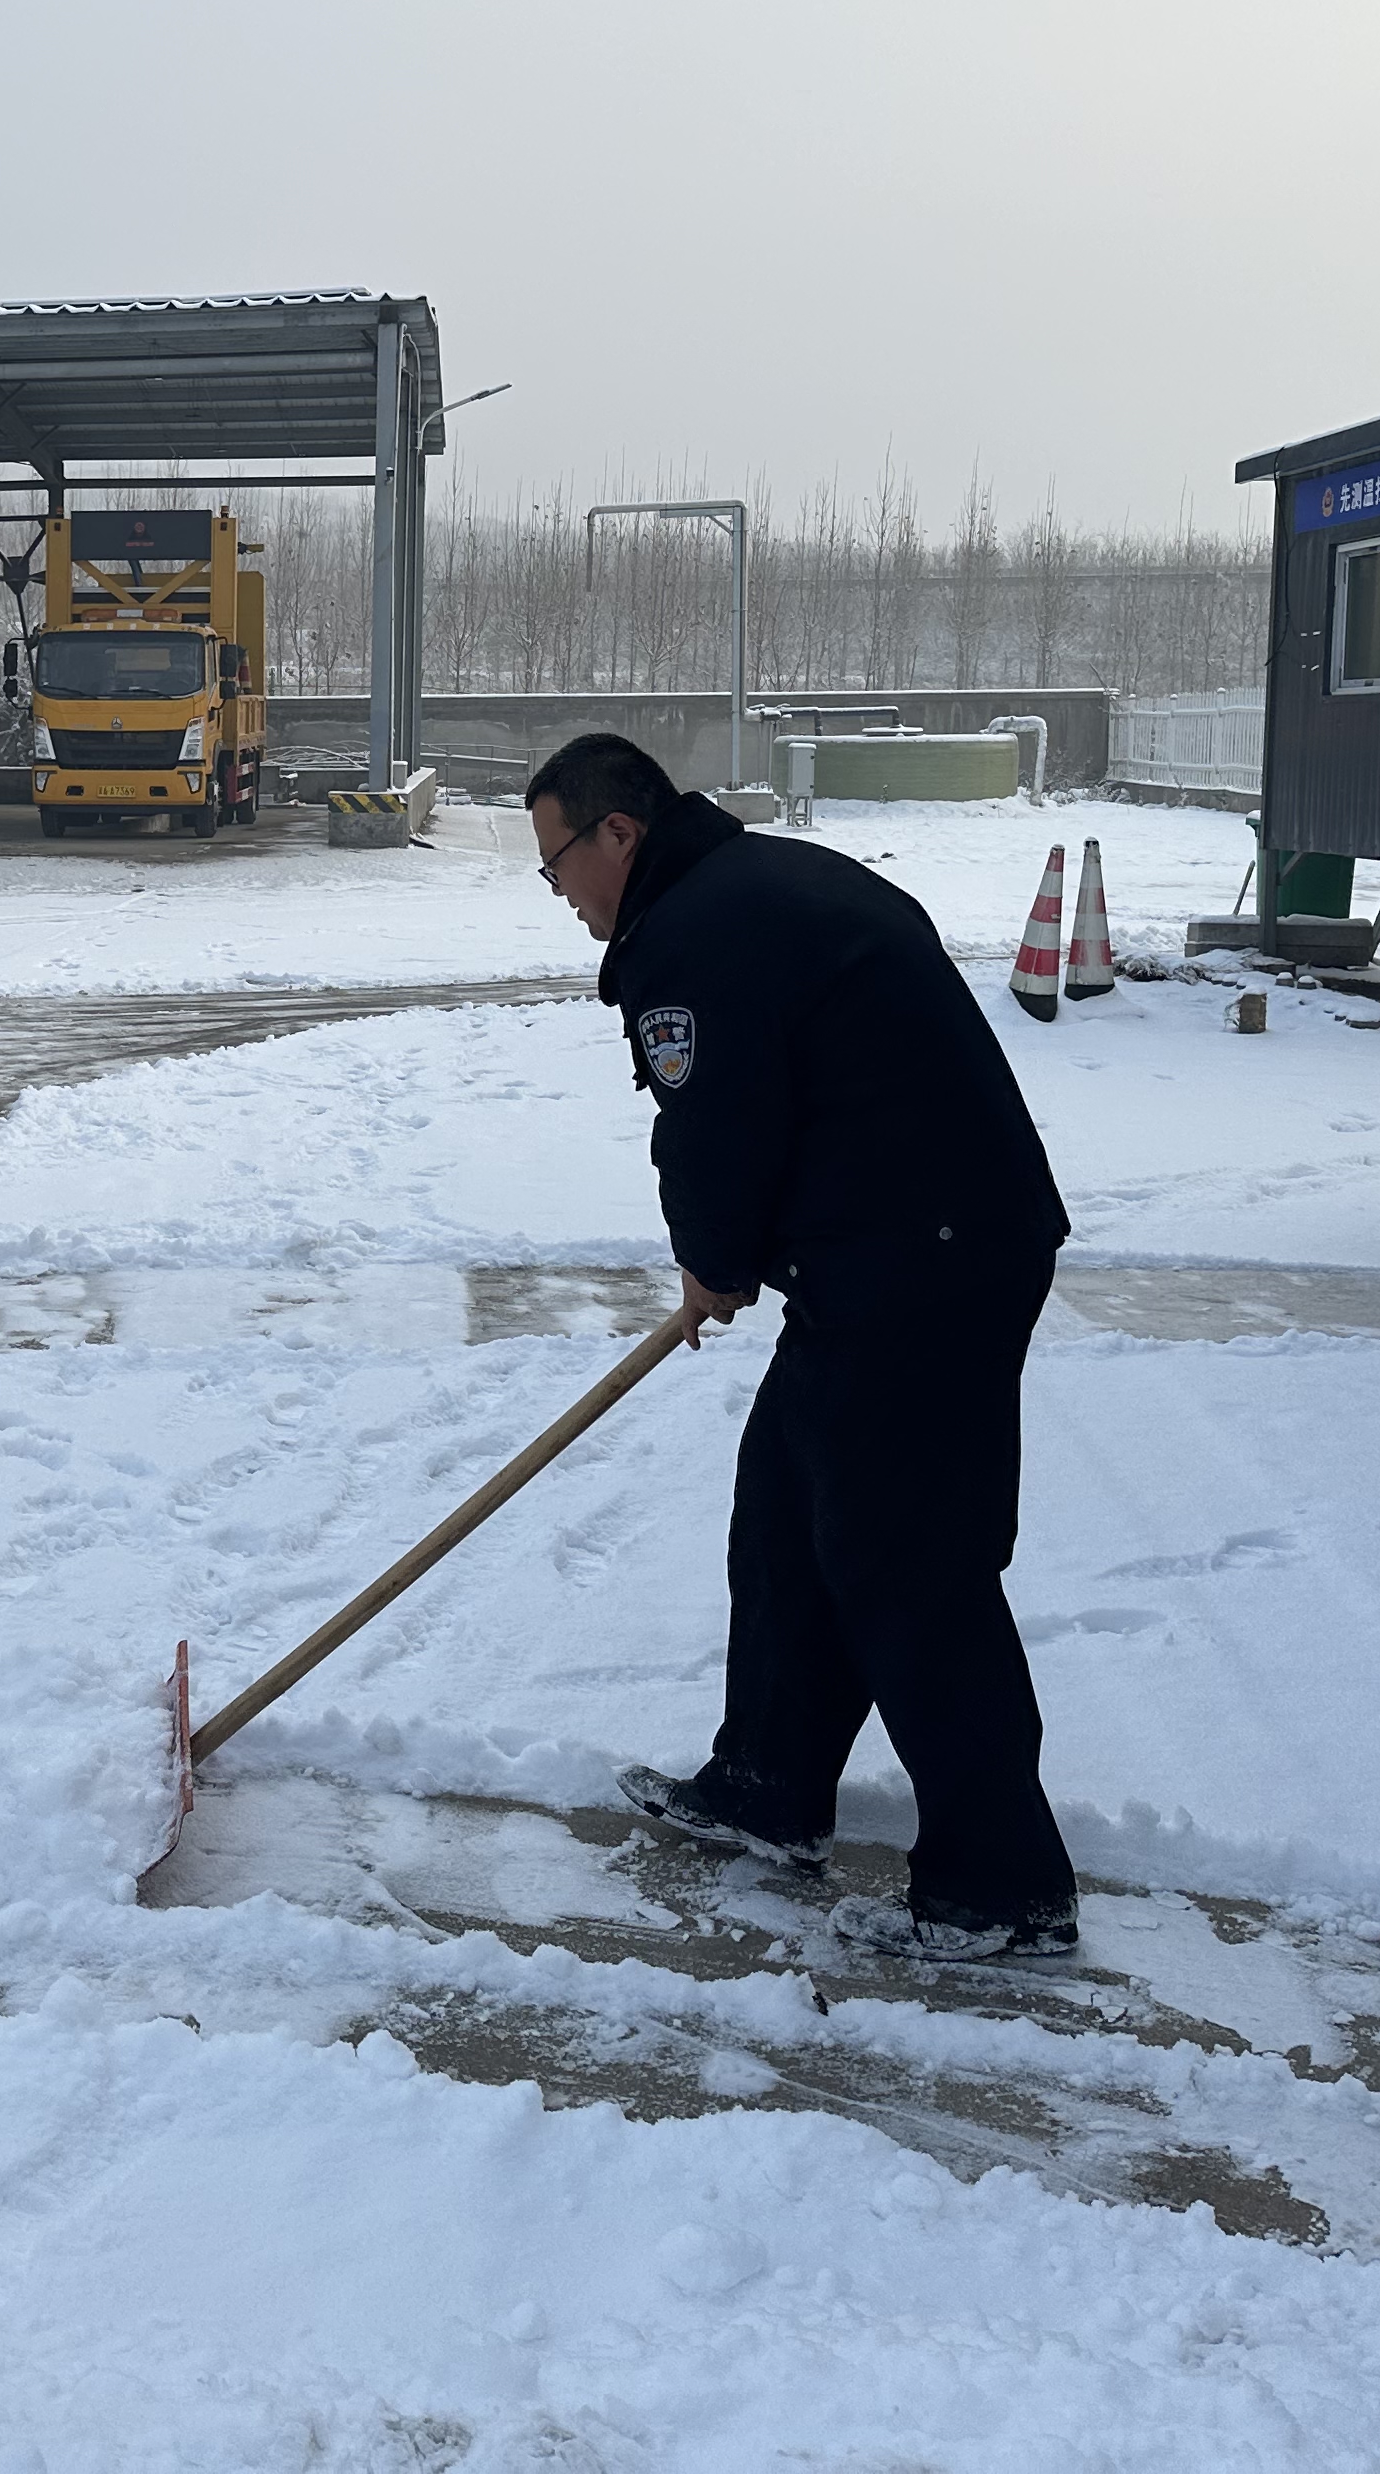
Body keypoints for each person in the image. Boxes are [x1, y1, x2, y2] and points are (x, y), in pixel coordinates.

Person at [524, 729, 1081, 1963]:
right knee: (787, 1504)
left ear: (619, 834)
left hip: (920, 1265)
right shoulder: (758, 884)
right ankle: (768, 1785)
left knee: (908, 1560)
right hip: (908, 1248)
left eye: (556, 860)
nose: (558, 889)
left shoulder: (690, 934)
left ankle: (1002, 1888)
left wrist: (713, 1260)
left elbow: (718, 1125)